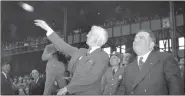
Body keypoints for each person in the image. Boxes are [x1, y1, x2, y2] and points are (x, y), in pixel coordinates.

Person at [34, 19, 109, 95]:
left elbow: (91, 79)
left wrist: (67, 88)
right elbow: (64, 46)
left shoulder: (103, 56)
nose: (87, 35)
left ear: (97, 38)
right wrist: (47, 28)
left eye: (90, 33)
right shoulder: (82, 51)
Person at [122, 30, 184, 95]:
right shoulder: (128, 67)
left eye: (141, 38)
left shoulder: (165, 59)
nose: (136, 40)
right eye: (135, 38)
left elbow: (176, 90)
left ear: (151, 45)